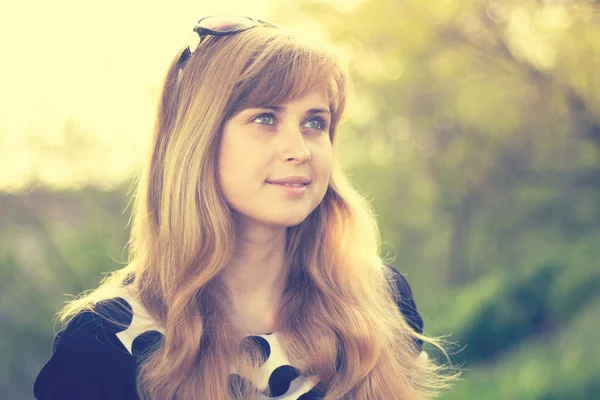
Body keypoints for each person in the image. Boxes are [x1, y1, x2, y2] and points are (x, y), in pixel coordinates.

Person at [33, 15, 457, 400]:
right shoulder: (106, 343)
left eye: (315, 123)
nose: (300, 150)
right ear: (199, 141)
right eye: (266, 118)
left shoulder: (381, 298)